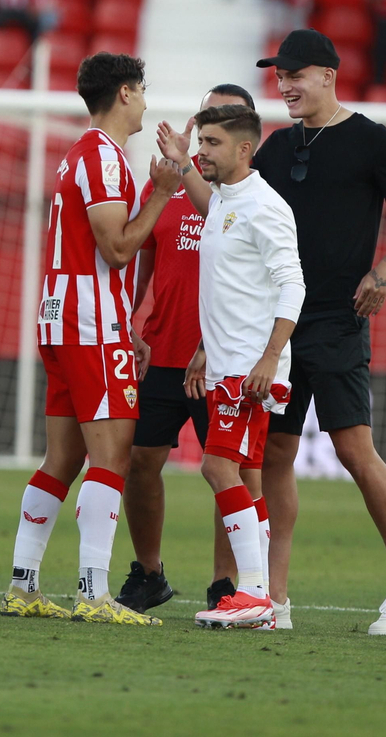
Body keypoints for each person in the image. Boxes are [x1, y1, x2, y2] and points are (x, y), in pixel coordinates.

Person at [206, 29, 386, 635]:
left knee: (354, 449)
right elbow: (230, 206)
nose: (285, 85)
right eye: (280, 76)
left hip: (336, 321)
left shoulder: (370, 140)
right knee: (274, 452)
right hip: (279, 322)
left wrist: (384, 270)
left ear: (329, 74)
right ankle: (274, 599)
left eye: (296, 74)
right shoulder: (276, 148)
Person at [0, 53, 184, 625]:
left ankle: (23, 585)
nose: (148, 102)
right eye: (144, 92)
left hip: (63, 316)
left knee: (64, 456)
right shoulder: (102, 158)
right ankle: (93, 592)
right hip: (88, 322)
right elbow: (118, 248)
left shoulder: (79, 156)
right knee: (112, 457)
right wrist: (160, 192)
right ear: (126, 93)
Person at [114, 84, 258, 616]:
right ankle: (149, 573)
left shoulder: (252, 197)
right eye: (209, 117)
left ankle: (227, 584)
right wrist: (135, 322)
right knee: (139, 462)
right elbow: (145, 262)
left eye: (228, 119)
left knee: (231, 472)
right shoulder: (171, 183)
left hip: (222, 359)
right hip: (162, 353)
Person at [175, 104, 305, 630]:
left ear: (244, 149)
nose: (200, 151)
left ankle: (253, 592)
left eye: (210, 143)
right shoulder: (226, 200)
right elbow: (229, 290)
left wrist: (269, 359)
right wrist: (207, 346)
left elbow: (293, 285)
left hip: (250, 369)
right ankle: (266, 603)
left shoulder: (265, 207)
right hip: (228, 362)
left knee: (216, 467)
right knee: (247, 484)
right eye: (200, 141)